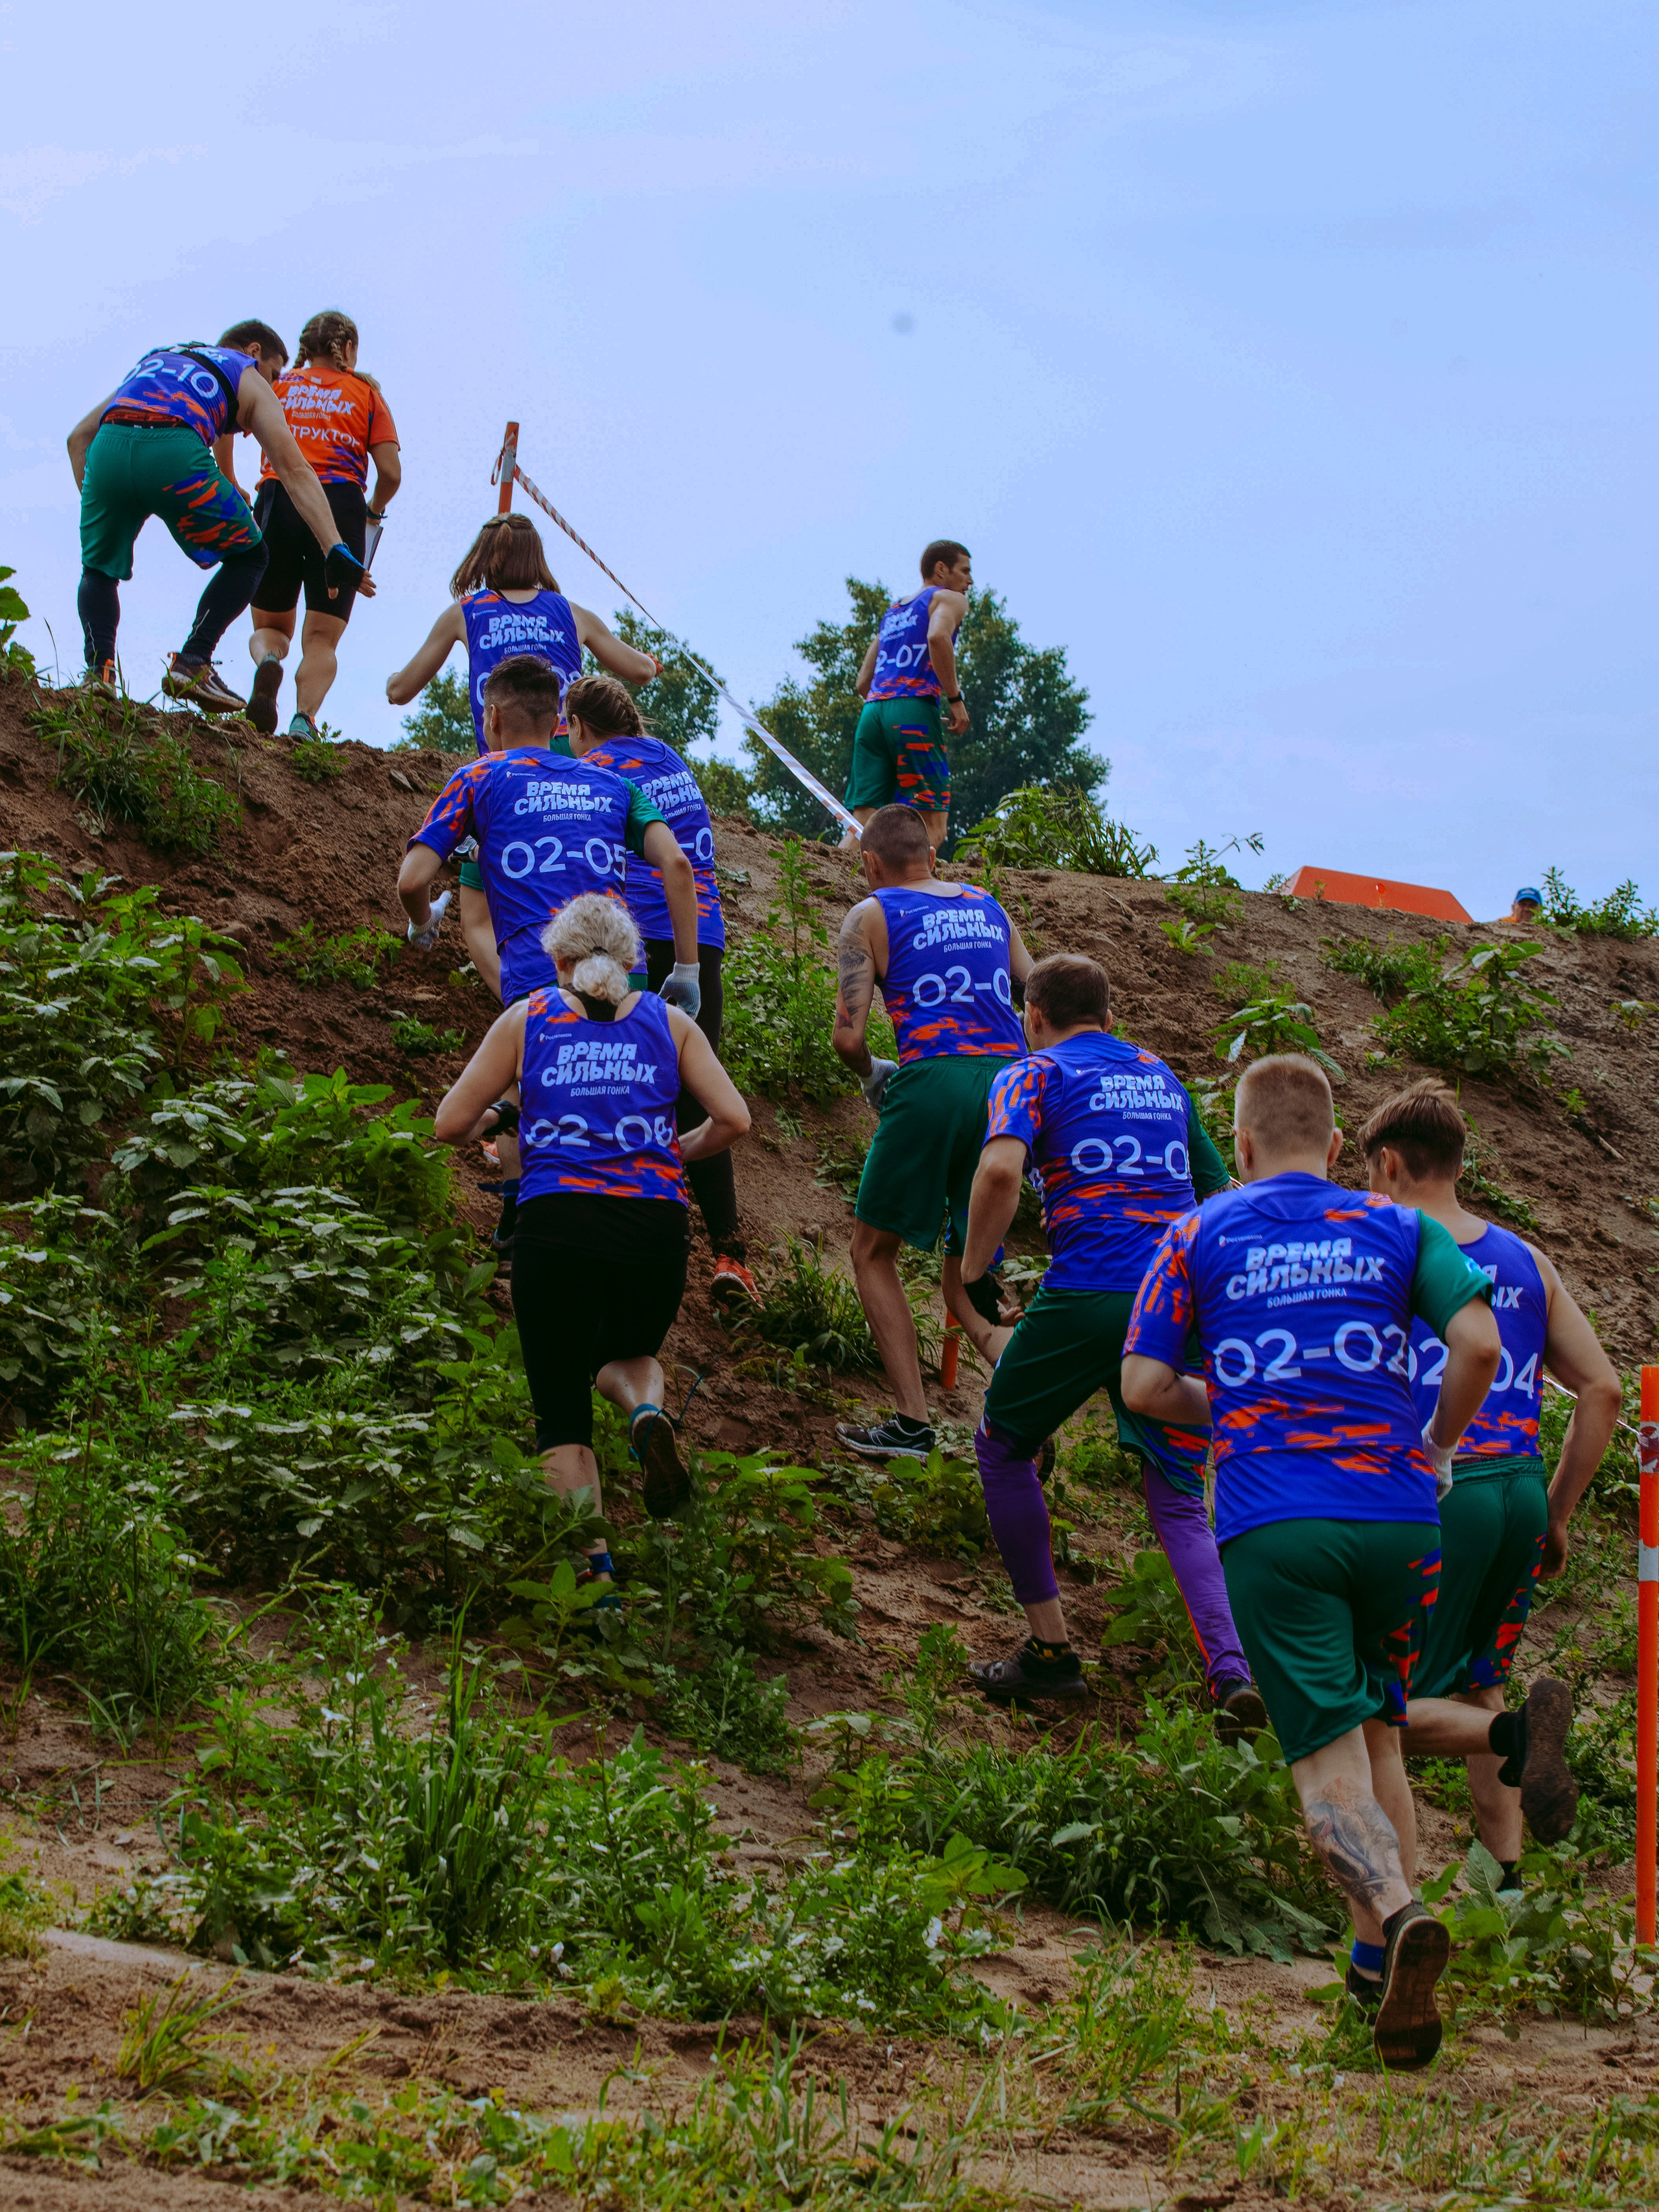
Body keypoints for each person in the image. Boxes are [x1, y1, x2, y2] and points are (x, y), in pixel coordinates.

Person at [1121, 1054, 1503, 2069]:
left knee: (1324, 1764)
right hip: (1400, 1522)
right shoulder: (1396, 1224)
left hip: (1277, 1525)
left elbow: (1146, 1386)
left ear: (1238, 1147)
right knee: (1379, 1727)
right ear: (1338, 1150)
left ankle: (1397, 1905)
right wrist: (1434, 1444)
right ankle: (1379, 1984)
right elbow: (1477, 1347)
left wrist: (1238, 1404)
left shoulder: (1195, 1232)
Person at [953, 952, 1263, 1729]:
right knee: (1180, 1504)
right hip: (1179, 1295)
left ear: (1032, 1014)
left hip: (1089, 1288)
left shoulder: (1031, 1072)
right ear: (1111, 1013)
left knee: (1001, 1445)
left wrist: (973, 1264)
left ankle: (1051, 1652)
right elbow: (1219, 1190)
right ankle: (1232, 1675)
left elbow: (998, 1173)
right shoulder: (1160, 1074)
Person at [433, 893, 750, 1561]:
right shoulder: (670, 1022)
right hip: (653, 1228)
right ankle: (643, 1412)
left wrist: (506, 1115)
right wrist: (670, 1151)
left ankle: (595, 1586)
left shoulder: (529, 1018)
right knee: (624, 1354)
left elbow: (449, 1124)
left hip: (557, 1225)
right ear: (634, 961)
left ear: (557, 959)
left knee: (561, 1410)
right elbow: (734, 1120)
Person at [1363, 1080, 1616, 1869]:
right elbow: (1602, 1390)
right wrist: (1560, 1511)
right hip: (1519, 1488)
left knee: (1387, 1709)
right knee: (1482, 1678)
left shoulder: (1388, 1244)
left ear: (1389, 1163)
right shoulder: (1525, 1257)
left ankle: (1387, 1899)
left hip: (1443, 1484)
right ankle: (1503, 1878)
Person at [398, 652, 701, 1253]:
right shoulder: (614, 783)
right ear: (559, 719)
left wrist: (423, 924)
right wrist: (687, 969)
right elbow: (677, 863)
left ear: (492, 717)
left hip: (543, 964)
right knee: (614, 1079)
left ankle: (522, 1221)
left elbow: (412, 879)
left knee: (528, 1083)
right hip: (623, 966)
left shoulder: (479, 778)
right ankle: (628, 1204)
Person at [832, 802, 1032, 1460]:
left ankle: (912, 1424)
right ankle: (1026, 1404)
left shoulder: (870, 913)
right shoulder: (988, 906)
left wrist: (872, 1074)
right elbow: (1037, 994)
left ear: (870, 864)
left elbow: (848, 1036)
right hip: (1008, 1087)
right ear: (932, 858)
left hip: (931, 1079)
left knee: (871, 1250)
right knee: (966, 1271)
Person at [386, 512, 660, 988]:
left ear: (481, 558)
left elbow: (400, 691)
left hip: (506, 778)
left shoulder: (466, 612)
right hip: (581, 779)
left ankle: (521, 1007)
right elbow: (638, 671)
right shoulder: (571, 613)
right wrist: (651, 663)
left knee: (476, 908)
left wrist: (390, 680)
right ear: (538, 557)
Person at [564, 673, 758, 1307]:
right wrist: (689, 963)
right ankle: (730, 1253)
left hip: (636, 941)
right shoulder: (668, 756)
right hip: (699, 939)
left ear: (580, 725)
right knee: (697, 1091)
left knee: (609, 1078)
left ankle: (624, 1222)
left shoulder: (594, 768)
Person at [66, 323, 361, 712]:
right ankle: (193, 662)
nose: (273, 387)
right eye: (274, 375)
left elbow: (77, 439)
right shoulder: (245, 373)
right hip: (176, 446)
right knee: (252, 556)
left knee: (98, 569)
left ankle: (98, 674)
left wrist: (102, 506)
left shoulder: (162, 358)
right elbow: (294, 471)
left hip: (109, 449)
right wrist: (333, 544)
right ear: (254, 353)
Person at [242, 310, 401, 739]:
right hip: (339, 506)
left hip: (277, 496)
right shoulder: (366, 394)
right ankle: (304, 719)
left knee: (270, 629)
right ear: (347, 349)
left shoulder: (278, 383)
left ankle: (269, 663)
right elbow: (390, 474)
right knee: (321, 639)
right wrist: (373, 512)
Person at [843, 541, 973, 852]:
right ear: (941, 569)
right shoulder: (949, 599)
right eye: (965, 571)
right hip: (913, 710)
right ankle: (910, 894)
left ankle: (833, 886)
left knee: (863, 823)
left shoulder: (894, 611)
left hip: (873, 713)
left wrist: (893, 708)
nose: (970, 581)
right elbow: (937, 636)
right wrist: (955, 700)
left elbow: (863, 682)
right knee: (931, 826)